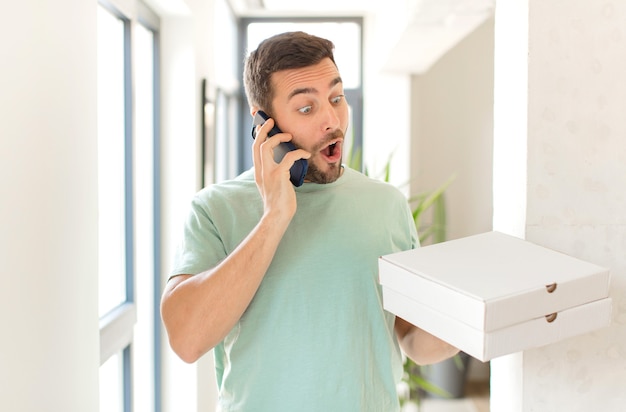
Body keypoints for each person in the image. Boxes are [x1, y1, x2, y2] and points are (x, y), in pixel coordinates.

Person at [160, 31, 458, 411]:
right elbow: (187, 340)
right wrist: (274, 217)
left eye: (336, 98)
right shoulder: (214, 209)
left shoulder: (387, 205)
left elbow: (412, 339)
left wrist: (464, 325)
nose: (332, 120)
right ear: (264, 124)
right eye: (306, 108)